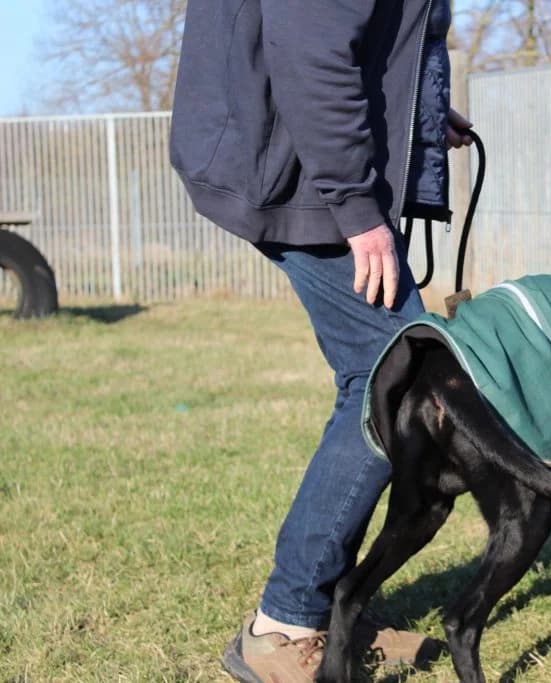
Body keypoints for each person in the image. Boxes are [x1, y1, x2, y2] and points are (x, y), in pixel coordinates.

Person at [169, 1, 472, 681]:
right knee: (397, 374)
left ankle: (327, 609)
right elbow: (309, 51)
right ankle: (283, 625)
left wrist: (412, 108)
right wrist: (358, 210)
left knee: (391, 376)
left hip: (307, 158)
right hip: (299, 165)